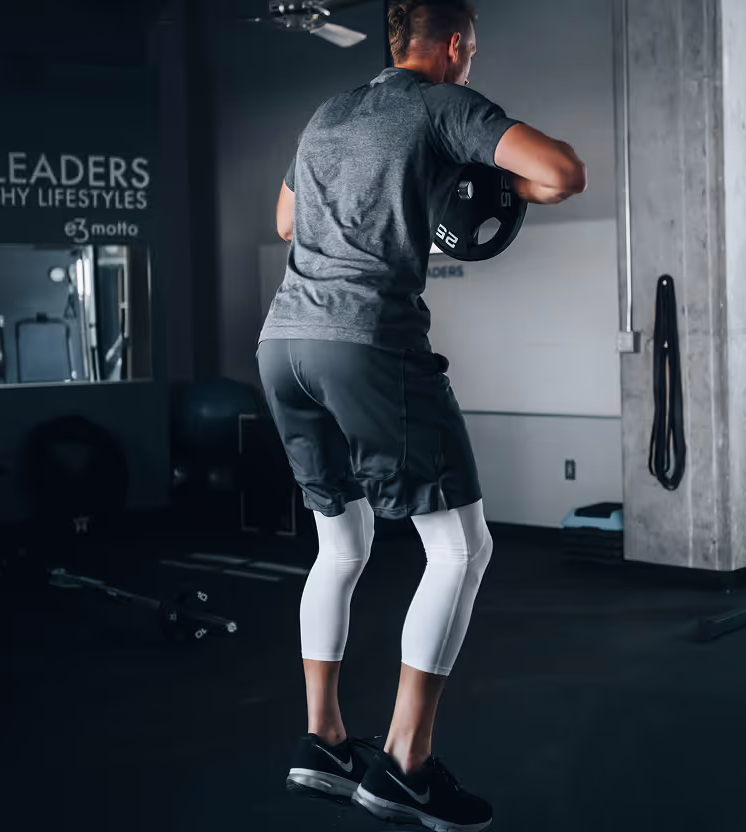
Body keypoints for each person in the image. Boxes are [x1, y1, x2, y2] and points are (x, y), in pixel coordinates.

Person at [257, 1, 587, 829]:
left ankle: (324, 740)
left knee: (343, 543)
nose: (469, 64)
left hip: (282, 343)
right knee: (461, 546)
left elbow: (287, 222)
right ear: (451, 46)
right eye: (468, 52)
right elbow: (561, 174)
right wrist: (489, 180)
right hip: (364, 343)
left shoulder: (326, 113)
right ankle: (405, 763)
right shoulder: (446, 105)